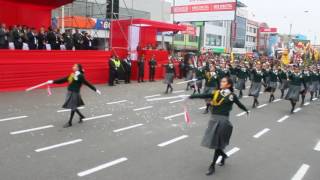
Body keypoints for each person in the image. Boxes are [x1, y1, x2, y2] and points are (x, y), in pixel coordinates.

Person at [190, 77, 249, 176]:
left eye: (224, 81)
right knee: (214, 141)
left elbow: (239, 104)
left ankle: (212, 165)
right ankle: (223, 156)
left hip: (223, 121)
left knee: (217, 144)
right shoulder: (216, 93)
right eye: (221, 81)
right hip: (213, 120)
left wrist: (246, 110)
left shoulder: (231, 96)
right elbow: (204, 95)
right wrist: (190, 97)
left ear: (229, 85)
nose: (221, 82)